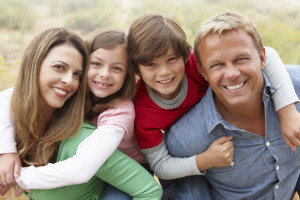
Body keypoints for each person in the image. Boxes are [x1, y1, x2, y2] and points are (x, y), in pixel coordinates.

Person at [127, 14, 300, 199]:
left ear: (184, 57)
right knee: (190, 187)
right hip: (191, 149)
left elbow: (268, 54)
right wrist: (203, 161)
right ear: (137, 70)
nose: (164, 72)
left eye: (171, 59)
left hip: (222, 114)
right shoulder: (143, 112)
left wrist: (287, 111)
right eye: (151, 65)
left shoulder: (193, 66)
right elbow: (160, 165)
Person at [0, 27, 162, 199]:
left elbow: (83, 168)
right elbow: (8, 97)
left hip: (129, 163)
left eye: (77, 73)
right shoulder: (20, 120)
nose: (69, 80)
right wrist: (7, 151)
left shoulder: (111, 118)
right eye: (60, 67)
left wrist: (19, 177)